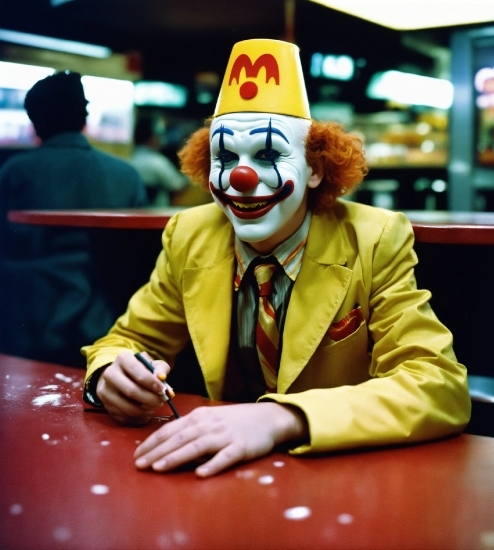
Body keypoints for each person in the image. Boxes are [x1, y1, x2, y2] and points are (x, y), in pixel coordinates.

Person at [82, 39, 470, 477]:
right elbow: (126, 340)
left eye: (268, 154)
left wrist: (283, 418)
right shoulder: (190, 233)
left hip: (335, 479)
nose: (242, 177)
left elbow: (438, 386)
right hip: (216, 478)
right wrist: (109, 376)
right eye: (225, 157)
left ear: (315, 169)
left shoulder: (375, 238)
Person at [0, 70, 148, 368]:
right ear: (84, 117)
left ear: (34, 122)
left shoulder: (15, 172)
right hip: (107, 326)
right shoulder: (126, 175)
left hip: (24, 325)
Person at [130, 116, 189, 206]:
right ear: (151, 137)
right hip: (156, 213)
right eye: (159, 135)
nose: (162, 140)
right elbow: (178, 185)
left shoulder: (130, 160)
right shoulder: (157, 162)